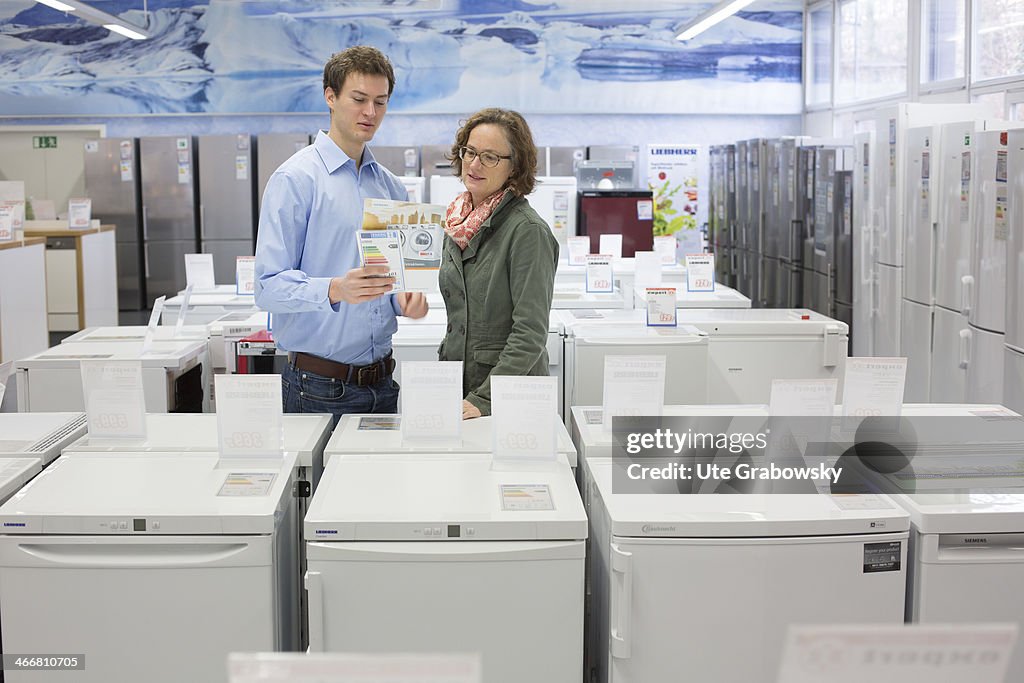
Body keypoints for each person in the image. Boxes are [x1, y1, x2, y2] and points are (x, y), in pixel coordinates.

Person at [255, 46, 428, 425]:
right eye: (359, 99)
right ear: (330, 97)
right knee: (320, 487)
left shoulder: (392, 187)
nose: (371, 112)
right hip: (317, 387)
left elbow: (393, 284)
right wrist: (335, 288)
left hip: (382, 384)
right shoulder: (295, 180)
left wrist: (407, 301)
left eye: (380, 102)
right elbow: (267, 287)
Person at [437, 108, 558, 419]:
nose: (475, 164)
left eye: (490, 157)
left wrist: (483, 399)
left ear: (514, 167)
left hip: (508, 397)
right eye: (470, 152)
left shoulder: (527, 231)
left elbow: (530, 333)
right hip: (459, 387)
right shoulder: (457, 222)